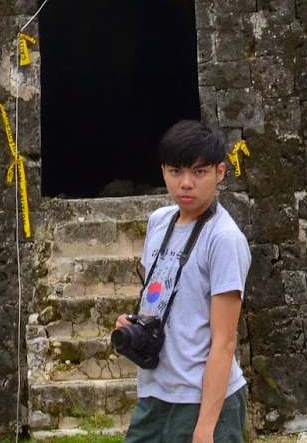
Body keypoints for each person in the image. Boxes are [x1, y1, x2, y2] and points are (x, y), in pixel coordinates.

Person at [115, 120, 251, 443]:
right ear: (163, 171)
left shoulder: (224, 239)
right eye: (176, 171)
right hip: (154, 394)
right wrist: (135, 324)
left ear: (220, 172)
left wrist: (205, 429)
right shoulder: (159, 222)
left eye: (199, 172)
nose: (186, 183)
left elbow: (224, 342)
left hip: (203, 401)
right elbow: (160, 298)